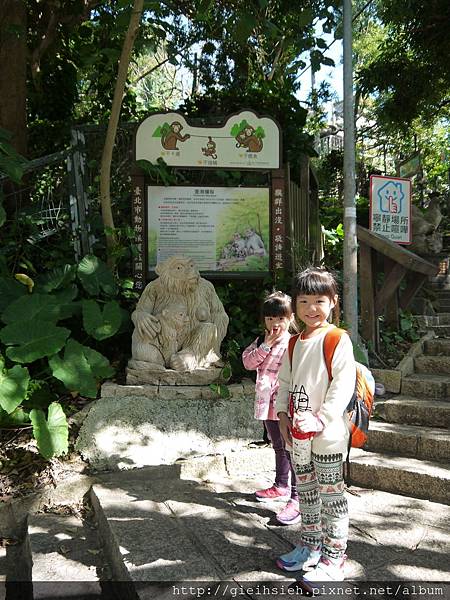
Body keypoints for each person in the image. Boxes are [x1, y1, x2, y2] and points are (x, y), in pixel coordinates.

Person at [275, 267, 356, 582]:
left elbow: (343, 385)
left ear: (333, 302)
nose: (311, 308)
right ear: (295, 303)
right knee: (307, 493)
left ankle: (334, 556)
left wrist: (321, 418)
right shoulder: (293, 343)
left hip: (328, 434)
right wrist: (282, 416)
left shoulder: (337, 338)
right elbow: (284, 383)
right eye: (304, 301)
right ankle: (310, 545)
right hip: (297, 434)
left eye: (319, 301)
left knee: (331, 495)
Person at [242, 291, 300, 526]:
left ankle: (297, 497)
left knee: (291, 449)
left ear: (290, 318)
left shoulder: (295, 342)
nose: (275, 323)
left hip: (285, 405)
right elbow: (247, 363)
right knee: (277, 445)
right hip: (266, 405)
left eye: (280, 318)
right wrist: (265, 345)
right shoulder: (260, 341)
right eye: (269, 318)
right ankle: (281, 485)